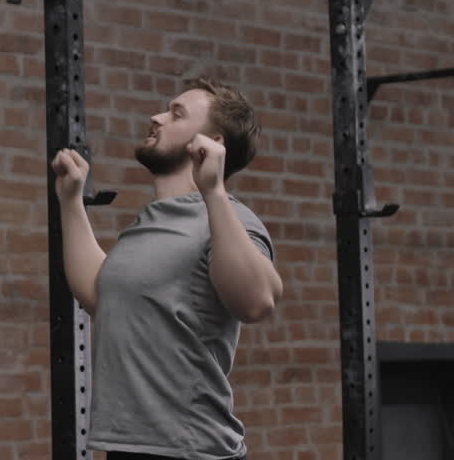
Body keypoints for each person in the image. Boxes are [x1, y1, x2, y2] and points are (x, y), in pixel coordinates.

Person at [52, 78, 283, 460]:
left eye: (176, 114)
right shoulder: (148, 225)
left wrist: (214, 191)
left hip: (192, 451)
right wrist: (71, 201)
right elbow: (99, 295)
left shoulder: (231, 219)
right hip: (128, 449)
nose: (157, 118)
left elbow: (257, 302)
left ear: (212, 142)